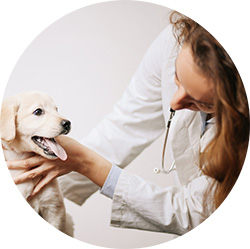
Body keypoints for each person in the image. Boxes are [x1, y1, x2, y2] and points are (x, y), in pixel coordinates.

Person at [6, 12, 249, 235]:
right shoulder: (173, 44)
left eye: (202, 103)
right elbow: (126, 125)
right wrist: (37, 180)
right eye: (176, 79)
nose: (174, 103)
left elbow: (197, 212)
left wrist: (86, 163)